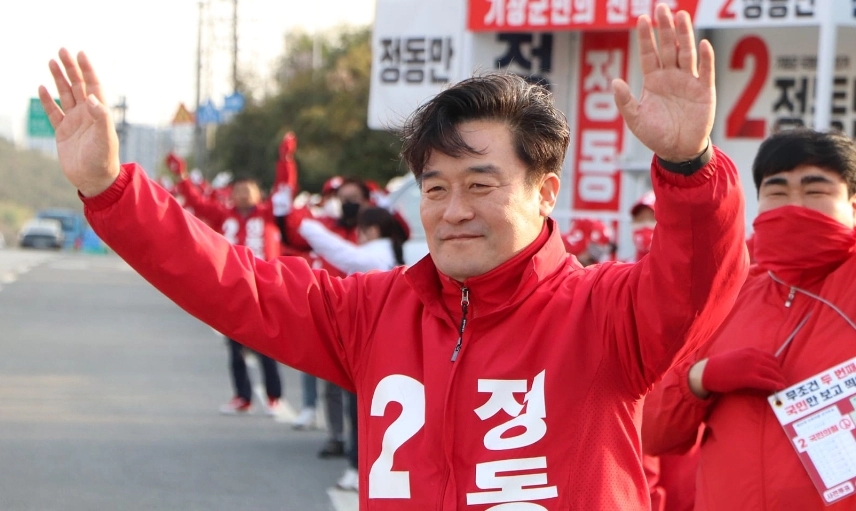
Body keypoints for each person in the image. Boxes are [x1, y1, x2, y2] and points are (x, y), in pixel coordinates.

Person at [40, 4, 748, 509]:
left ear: (546, 192)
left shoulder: (605, 312)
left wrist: (688, 166)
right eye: (435, 187)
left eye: (481, 184)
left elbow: (698, 281)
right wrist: (113, 189)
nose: (453, 209)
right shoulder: (373, 311)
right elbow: (231, 283)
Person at [642, 128, 856, 510]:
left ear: (852, 204)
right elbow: (654, 435)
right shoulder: (725, 291)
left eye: (816, 190)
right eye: (777, 191)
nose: (795, 205)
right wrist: (699, 378)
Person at [299, 206, 409, 492]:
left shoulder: (374, 256)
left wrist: (305, 225)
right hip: (400, 349)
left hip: (370, 347)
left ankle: (357, 467)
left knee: (361, 412)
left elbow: (339, 252)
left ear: (371, 231)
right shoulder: (402, 253)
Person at [168, 154, 287, 417]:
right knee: (235, 346)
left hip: (265, 285)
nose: (243, 195)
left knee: (269, 345)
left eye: (248, 190)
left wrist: (285, 160)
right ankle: (243, 397)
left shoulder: (267, 214)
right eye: (239, 190)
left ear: (258, 194)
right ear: (232, 194)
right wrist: (182, 176)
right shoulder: (224, 215)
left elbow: (283, 188)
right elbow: (197, 204)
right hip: (234, 286)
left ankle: (273, 398)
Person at [630, 190, 656, 262]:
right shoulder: (622, 269)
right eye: (640, 219)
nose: (645, 225)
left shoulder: (676, 271)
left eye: (652, 219)